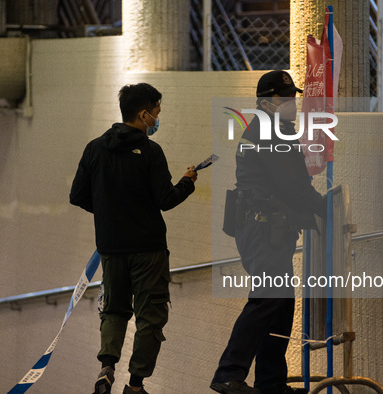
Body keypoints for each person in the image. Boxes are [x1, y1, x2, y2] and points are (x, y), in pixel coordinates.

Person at [70, 83, 197, 394]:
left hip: (111, 249)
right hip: (148, 250)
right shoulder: (151, 152)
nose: (157, 118)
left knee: (113, 310)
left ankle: (106, 369)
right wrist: (187, 182)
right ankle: (136, 385)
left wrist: (108, 212)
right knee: (150, 317)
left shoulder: (94, 148)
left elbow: (77, 196)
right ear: (143, 114)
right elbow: (165, 199)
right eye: (156, 112)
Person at [211, 71, 326, 394]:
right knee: (267, 299)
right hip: (263, 227)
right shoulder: (269, 131)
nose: (292, 104)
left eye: (293, 97)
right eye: (285, 98)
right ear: (265, 102)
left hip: (266, 227)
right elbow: (293, 185)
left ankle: (271, 382)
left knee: (280, 304)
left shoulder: (268, 129)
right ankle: (228, 373)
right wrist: (325, 207)